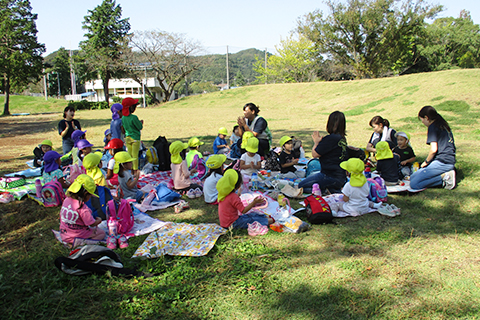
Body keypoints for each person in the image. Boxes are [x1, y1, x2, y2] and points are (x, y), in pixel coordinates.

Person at [298, 111, 348, 194]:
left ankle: (326, 190)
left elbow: (314, 154)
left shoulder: (330, 139)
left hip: (329, 176)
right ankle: (333, 189)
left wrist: (316, 142)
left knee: (301, 186)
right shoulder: (342, 139)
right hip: (341, 177)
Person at [410, 106, 456, 190]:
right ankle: (444, 175)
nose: (423, 123)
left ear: (426, 118)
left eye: (422, 120)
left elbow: (433, 149)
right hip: (448, 160)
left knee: (414, 183)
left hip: (443, 162)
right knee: (413, 177)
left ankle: (445, 178)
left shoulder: (433, 127)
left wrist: (426, 162)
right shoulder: (443, 125)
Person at [59, 174, 105, 244]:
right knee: (101, 233)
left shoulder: (66, 200)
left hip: (65, 235)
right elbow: (92, 224)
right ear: (85, 194)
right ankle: (84, 243)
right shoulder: (83, 209)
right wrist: (99, 220)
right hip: (78, 236)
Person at [121, 97, 143, 172]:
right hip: (135, 138)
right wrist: (140, 123)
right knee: (135, 155)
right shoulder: (134, 117)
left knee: (129, 155)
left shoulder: (123, 118)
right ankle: (135, 170)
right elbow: (139, 127)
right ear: (131, 108)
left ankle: (129, 169)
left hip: (127, 138)